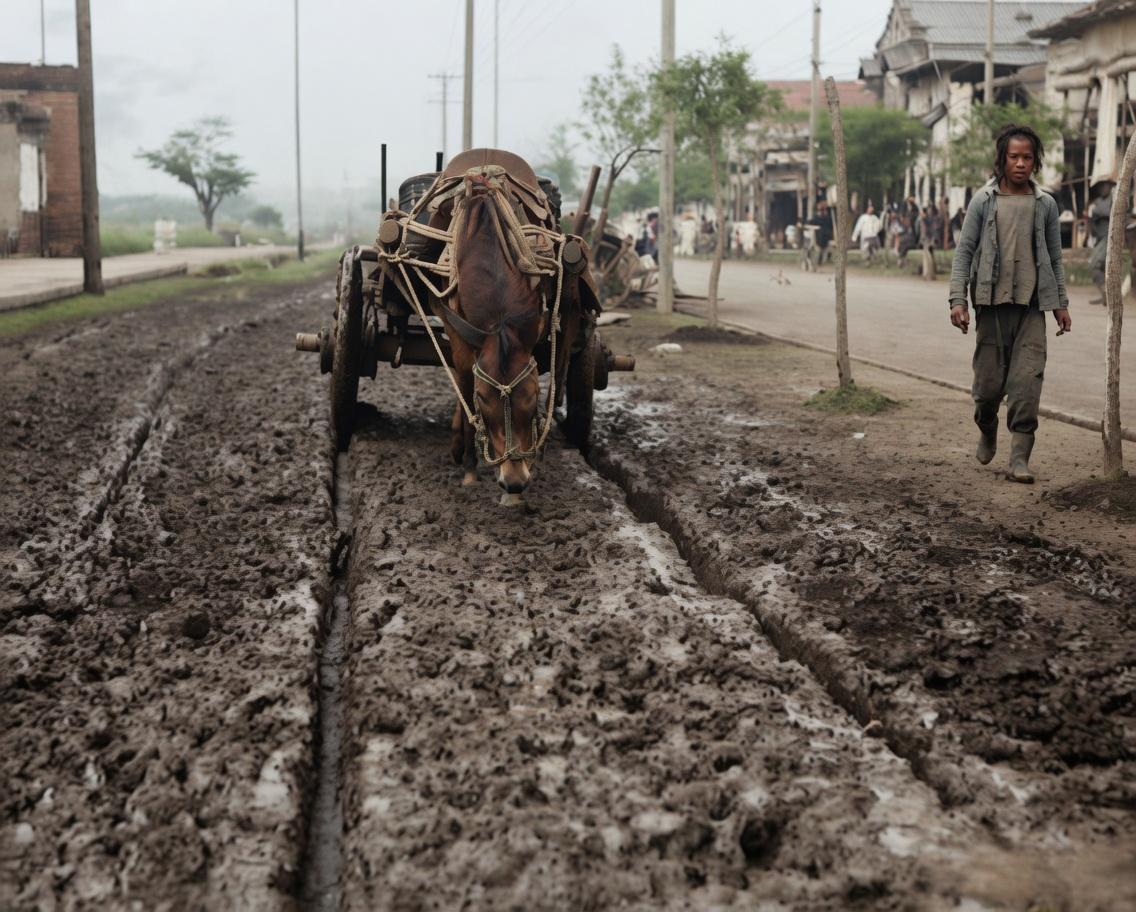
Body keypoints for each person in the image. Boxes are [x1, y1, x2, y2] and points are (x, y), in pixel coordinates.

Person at [949, 123, 1072, 483]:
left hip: (1031, 309)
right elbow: (964, 252)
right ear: (1001, 159)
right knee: (987, 389)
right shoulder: (983, 202)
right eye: (1013, 157)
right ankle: (987, 428)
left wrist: (1060, 303)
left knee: (1026, 384)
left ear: (1036, 162)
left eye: (1027, 157)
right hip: (991, 307)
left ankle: (1019, 458)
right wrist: (959, 299)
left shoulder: (1045, 204)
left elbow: (1054, 256)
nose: (1020, 163)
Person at [1087, 180, 1114, 305]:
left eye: (1106, 185)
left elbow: (1109, 213)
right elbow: (1091, 218)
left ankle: (1106, 295)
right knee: (1102, 267)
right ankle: (1104, 295)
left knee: (1093, 264)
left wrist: (1096, 211)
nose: (1103, 188)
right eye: (1101, 186)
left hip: (1108, 238)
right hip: (1099, 238)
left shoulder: (1112, 200)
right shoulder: (1097, 202)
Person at [806, 200, 834, 267]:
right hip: (820, 236)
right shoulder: (818, 217)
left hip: (824, 236)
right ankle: (816, 260)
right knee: (818, 247)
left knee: (822, 247)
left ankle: (820, 260)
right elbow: (810, 222)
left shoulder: (826, 218)